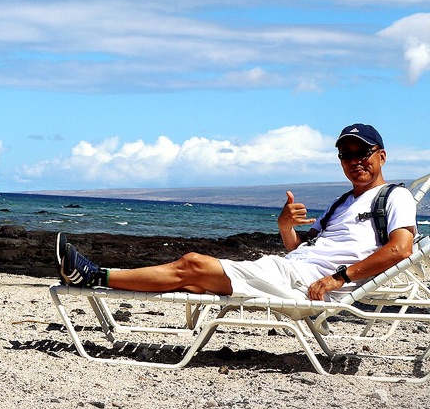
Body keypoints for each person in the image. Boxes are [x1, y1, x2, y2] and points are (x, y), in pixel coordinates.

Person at [57, 124, 417, 301]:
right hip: (292, 270)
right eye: (346, 155)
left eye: (362, 153)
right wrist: (285, 226)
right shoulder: (341, 203)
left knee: (193, 264)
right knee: (191, 278)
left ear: (381, 156)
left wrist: (338, 278)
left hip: (304, 282)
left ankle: (94, 276)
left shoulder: (393, 197)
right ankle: (93, 277)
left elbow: (400, 249)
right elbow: (302, 252)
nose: (355, 162)